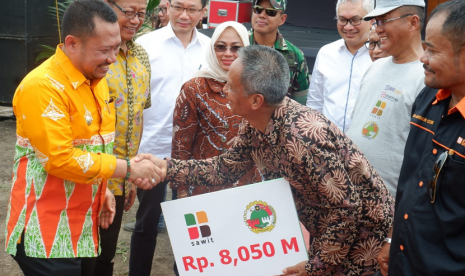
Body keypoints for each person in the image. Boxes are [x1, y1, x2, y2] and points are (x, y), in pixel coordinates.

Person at [138, 45, 394, 275]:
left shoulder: (303, 139)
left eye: (230, 85)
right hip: (328, 231)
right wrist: (165, 168)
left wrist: (316, 266)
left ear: (255, 100)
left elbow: (346, 210)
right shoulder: (256, 123)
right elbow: (224, 169)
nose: (224, 90)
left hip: (365, 239)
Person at [4, 1, 159, 276]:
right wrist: (129, 169)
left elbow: (95, 147)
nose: (113, 58)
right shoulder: (43, 88)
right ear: (72, 43)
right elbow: (60, 159)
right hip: (47, 232)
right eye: (104, 50)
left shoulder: (96, 80)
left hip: (85, 223)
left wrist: (104, 189)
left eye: (115, 47)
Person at [378, 1, 465, 275]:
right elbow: (409, 181)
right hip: (405, 260)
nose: (422, 58)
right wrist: (392, 239)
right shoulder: (429, 96)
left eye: (433, 50)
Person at [129, 0, 210, 275]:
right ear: (167, 7)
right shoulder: (146, 45)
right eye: (178, 7)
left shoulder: (212, 48)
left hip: (194, 154)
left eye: (192, 9)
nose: (184, 15)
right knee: (146, 223)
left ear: (204, 12)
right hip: (152, 149)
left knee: (191, 226)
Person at [94, 0, 152, 275]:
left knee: (106, 252)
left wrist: (129, 178)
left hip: (122, 174)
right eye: (128, 12)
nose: (135, 20)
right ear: (107, 6)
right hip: (90, 172)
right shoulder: (93, 54)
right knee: (82, 254)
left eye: (141, 14)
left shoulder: (141, 54)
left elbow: (138, 115)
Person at [171, 21, 260, 198]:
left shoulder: (256, 86)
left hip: (249, 187)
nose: (228, 53)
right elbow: (181, 145)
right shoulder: (194, 88)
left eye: (236, 48)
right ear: (212, 49)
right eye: (220, 47)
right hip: (204, 188)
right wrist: (180, 189)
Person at [347, 0, 425, 197]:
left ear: (413, 23)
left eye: (384, 21)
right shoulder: (375, 67)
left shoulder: (426, 78)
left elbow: (422, 156)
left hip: (389, 204)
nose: (378, 29)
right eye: (376, 22)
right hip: (350, 194)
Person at [306, 0, 373, 132]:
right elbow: (315, 104)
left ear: (371, 20)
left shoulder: (382, 56)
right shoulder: (326, 53)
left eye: (355, 20)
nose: (348, 27)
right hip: (327, 143)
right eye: (342, 20)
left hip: (365, 143)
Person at [249, 0, 310, 105]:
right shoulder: (237, 45)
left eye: (270, 12)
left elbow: (300, 103)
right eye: (258, 10)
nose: (262, 15)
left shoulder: (295, 55)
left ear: (282, 19)